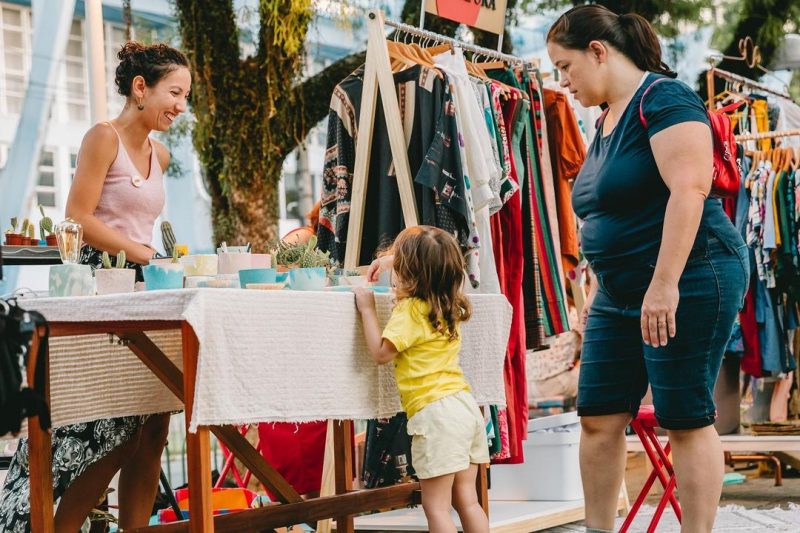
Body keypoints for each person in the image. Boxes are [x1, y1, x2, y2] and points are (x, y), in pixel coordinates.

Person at [545, 6, 748, 533]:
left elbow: (690, 190)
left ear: (599, 51)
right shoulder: (605, 119)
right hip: (619, 291)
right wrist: (596, 290)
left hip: (691, 275)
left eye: (566, 67)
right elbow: (609, 213)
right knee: (599, 416)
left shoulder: (664, 99)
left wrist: (664, 285)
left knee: (685, 416)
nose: (561, 81)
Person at [0, 41, 191, 530]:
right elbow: (77, 217)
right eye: (174, 92)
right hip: (97, 285)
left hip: (145, 288)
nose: (181, 106)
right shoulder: (102, 138)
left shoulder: (161, 154)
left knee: (153, 429)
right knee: (111, 434)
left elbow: (143, 227)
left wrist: (154, 260)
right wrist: (143, 253)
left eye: (186, 96)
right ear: (140, 88)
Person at [354, 226, 490, 533]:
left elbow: (380, 353)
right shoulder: (448, 302)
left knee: (435, 507)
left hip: (436, 415)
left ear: (409, 271)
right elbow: (430, 255)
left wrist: (367, 310)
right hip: (464, 408)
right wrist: (390, 261)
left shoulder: (411, 311)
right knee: (467, 500)